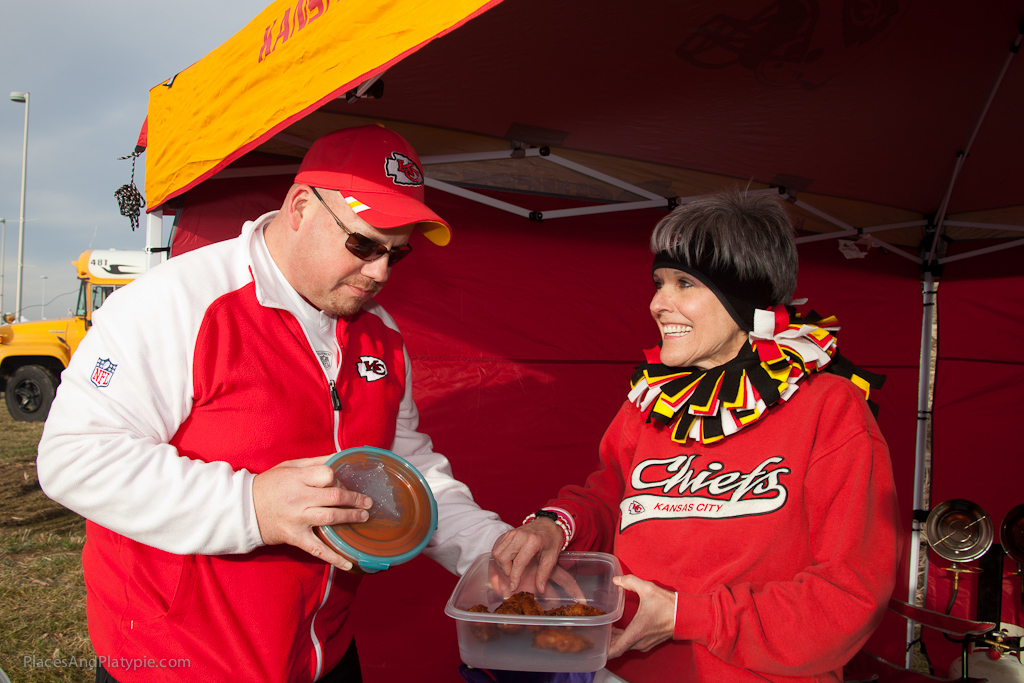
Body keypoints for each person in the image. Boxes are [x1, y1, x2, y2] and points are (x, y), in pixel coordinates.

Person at [36, 125, 511, 683]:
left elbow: (406, 469)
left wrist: (494, 551)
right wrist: (253, 506)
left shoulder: (381, 332)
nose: (379, 272)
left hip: (324, 653)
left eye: (396, 254)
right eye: (363, 245)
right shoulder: (177, 302)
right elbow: (75, 458)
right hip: (180, 664)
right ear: (301, 207)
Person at [492, 190, 901, 683]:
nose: (657, 304)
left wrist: (687, 616)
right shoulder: (652, 401)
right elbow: (609, 499)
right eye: (659, 283)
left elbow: (849, 594)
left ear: (743, 297)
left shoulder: (829, 407)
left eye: (684, 283)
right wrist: (554, 526)